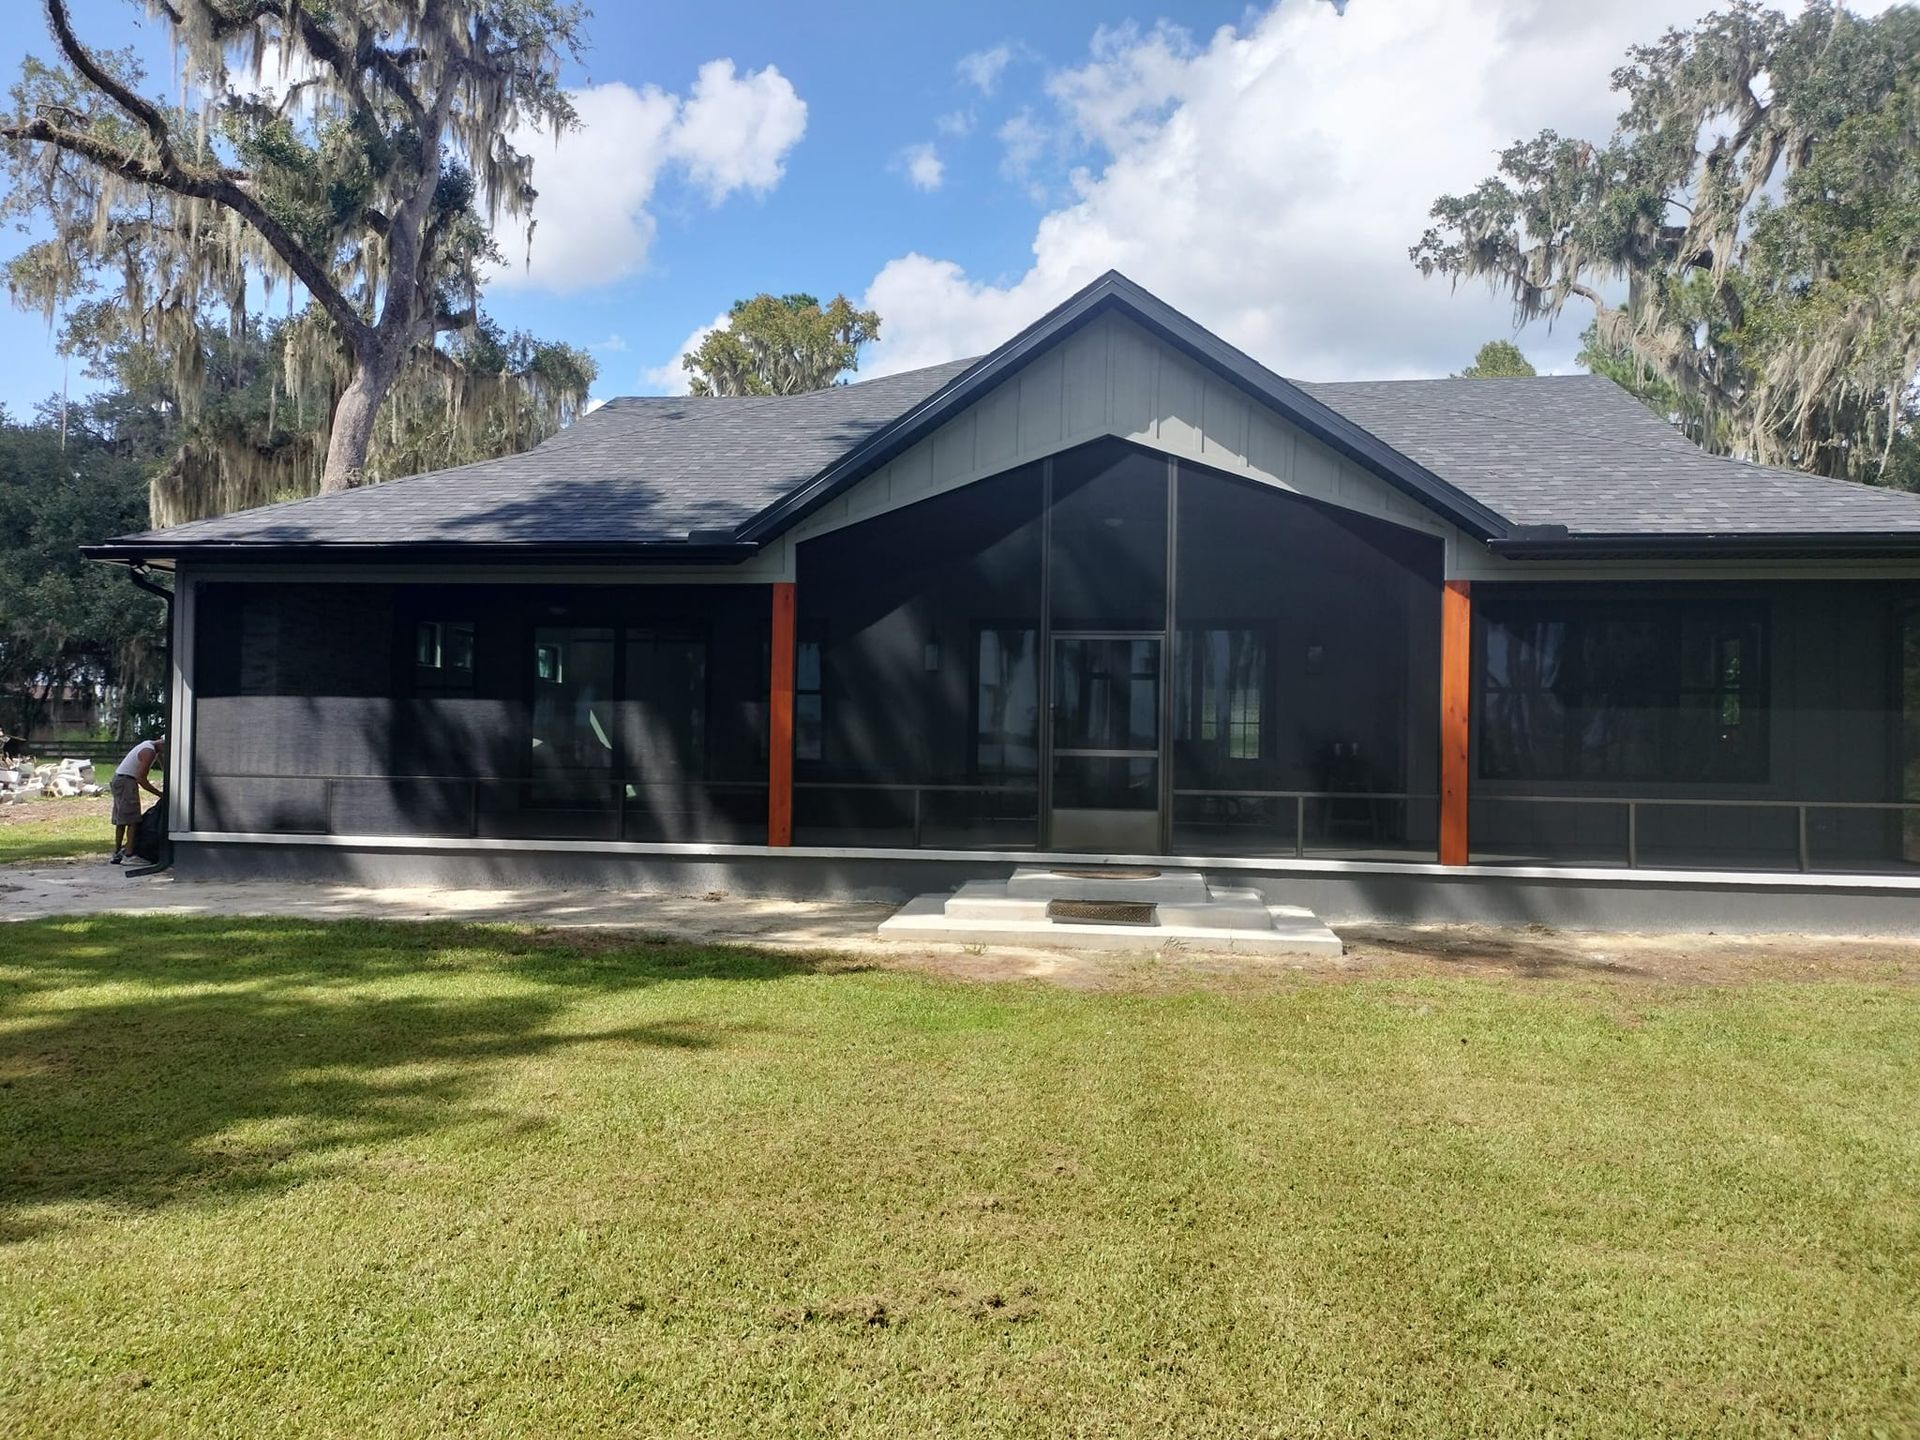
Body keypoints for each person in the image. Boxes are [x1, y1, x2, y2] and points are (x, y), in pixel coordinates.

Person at [110, 737, 165, 865]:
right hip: (127, 782)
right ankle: (129, 855)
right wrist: (160, 794)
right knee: (132, 820)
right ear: (163, 744)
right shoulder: (149, 752)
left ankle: (117, 852)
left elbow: (164, 766)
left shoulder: (150, 745)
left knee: (121, 819)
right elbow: (141, 779)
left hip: (119, 779)